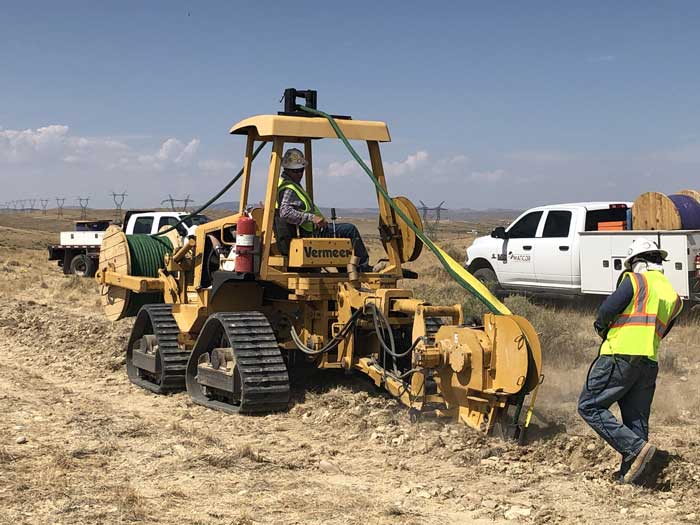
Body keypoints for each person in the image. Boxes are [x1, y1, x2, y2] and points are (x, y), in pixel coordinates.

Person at [577, 238, 683, 484]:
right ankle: (634, 477)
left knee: (589, 406)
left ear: (637, 262)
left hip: (619, 355)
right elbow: (662, 330)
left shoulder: (635, 280)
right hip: (649, 362)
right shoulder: (674, 297)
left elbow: (606, 310)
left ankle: (635, 448)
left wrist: (602, 329)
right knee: (636, 418)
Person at [276, 148, 371, 270]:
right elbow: (285, 212)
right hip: (312, 232)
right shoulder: (289, 188)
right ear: (287, 169)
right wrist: (312, 218)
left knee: (343, 239)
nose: (300, 174)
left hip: (310, 230)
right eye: (296, 171)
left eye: (301, 170)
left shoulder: (284, 183)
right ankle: (362, 269)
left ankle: (346, 269)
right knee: (350, 230)